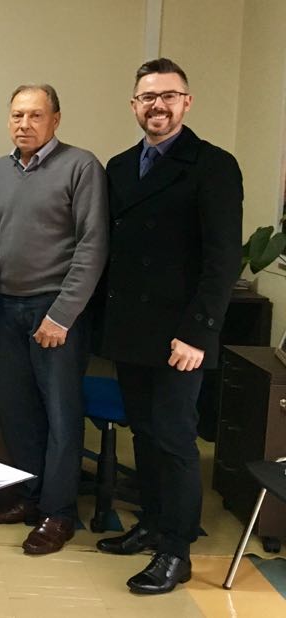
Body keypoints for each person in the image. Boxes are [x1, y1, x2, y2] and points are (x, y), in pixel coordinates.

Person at [96, 58, 243, 595]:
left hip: (182, 335)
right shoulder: (119, 166)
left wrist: (200, 333)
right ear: (134, 104)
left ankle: (177, 550)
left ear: (186, 102)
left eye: (168, 96)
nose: (157, 105)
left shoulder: (213, 165)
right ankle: (153, 524)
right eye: (147, 97)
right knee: (145, 433)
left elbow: (222, 261)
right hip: (133, 330)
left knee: (176, 439)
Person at [0, 85, 108, 554]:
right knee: (18, 414)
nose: (24, 124)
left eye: (35, 115)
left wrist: (62, 315)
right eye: (17, 115)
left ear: (56, 119)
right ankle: (30, 499)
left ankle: (59, 512)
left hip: (56, 311)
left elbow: (92, 245)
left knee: (61, 417)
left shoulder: (81, 166)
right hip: (6, 309)